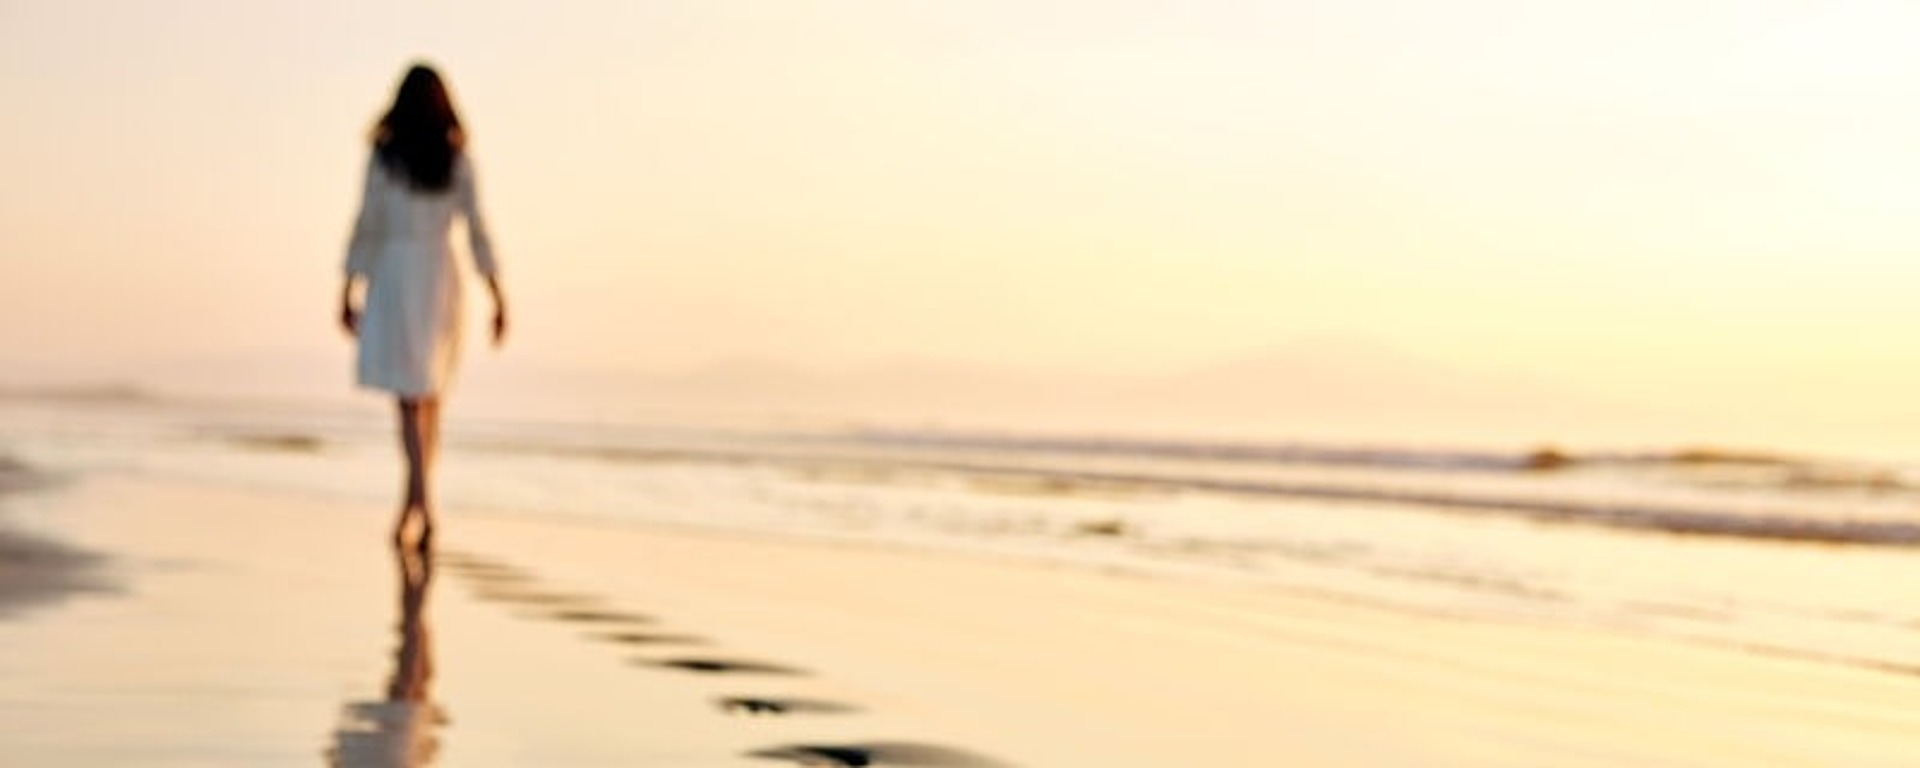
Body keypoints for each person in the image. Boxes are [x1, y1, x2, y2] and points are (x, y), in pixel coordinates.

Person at [339, 63, 506, 549]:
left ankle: (418, 502)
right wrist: (496, 293)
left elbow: (367, 224)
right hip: (437, 276)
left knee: (415, 399)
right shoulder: (450, 160)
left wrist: (349, 285)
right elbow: (478, 232)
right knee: (425, 398)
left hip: (397, 275)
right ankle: (419, 500)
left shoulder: (391, 159)